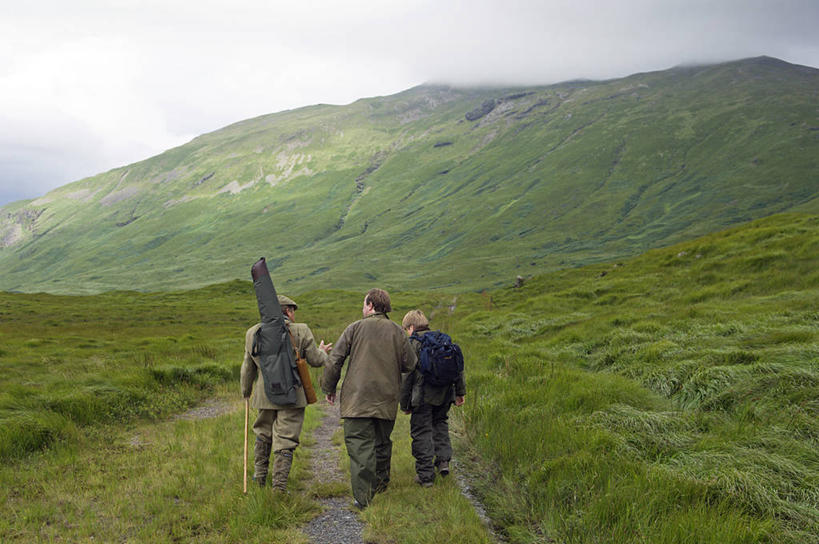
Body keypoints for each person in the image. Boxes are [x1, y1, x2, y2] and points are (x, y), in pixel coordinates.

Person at [322, 288, 416, 508]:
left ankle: (364, 498)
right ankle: (381, 487)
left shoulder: (354, 328)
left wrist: (329, 388)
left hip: (357, 399)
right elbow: (411, 364)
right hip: (387, 398)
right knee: (382, 443)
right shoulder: (397, 332)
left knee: (360, 444)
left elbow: (335, 360)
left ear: (371, 305)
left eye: (364, 304)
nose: (362, 309)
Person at [241, 295, 332, 491]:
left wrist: (246, 391)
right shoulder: (301, 330)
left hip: (264, 396)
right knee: (286, 439)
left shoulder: (252, 332)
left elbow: (248, 368)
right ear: (288, 311)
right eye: (293, 311)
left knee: (263, 434)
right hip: (293, 395)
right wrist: (323, 351)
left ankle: (260, 479)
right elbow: (316, 360)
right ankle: (279, 488)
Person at [399, 309, 466, 487]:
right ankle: (443, 462)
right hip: (445, 395)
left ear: (412, 327)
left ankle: (426, 476)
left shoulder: (413, 343)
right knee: (440, 425)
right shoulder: (443, 339)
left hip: (423, 397)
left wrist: (404, 404)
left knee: (422, 432)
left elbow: (407, 377)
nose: (407, 332)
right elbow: (458, 368)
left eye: (406, 329)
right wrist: (460, 393)